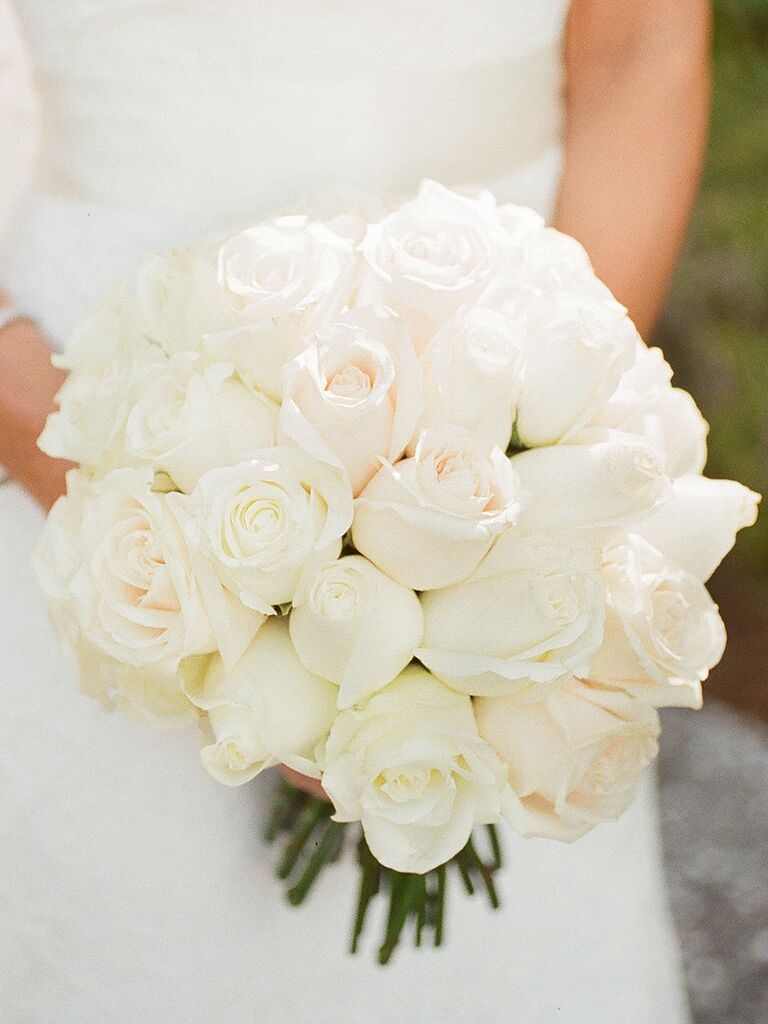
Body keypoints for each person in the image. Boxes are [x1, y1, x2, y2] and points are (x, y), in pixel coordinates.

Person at [0, 2, 710, 1021]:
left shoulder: (528, 464)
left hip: (509, 373)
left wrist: (538, 455)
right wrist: (126, 507)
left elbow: (640, 43)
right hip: (77, 407)